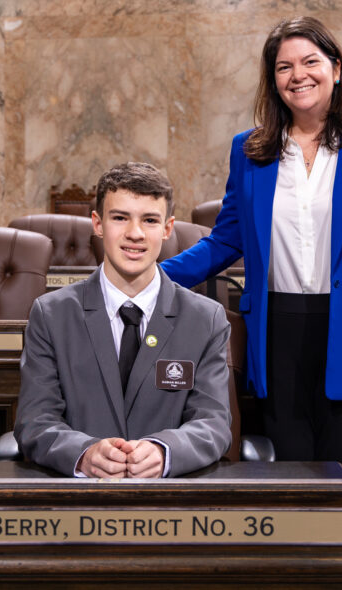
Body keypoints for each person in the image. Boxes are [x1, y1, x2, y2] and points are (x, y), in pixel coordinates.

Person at [161, 16, 342, 478]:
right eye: (284, 67)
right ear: (273, 80)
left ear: (336, 69)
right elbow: (226, 239)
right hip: (275, 331)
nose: (298, 75)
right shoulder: (251, 151)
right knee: (286, 475)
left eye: (310, 62)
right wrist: (154, 276)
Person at [15, 162, 232, 478]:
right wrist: (84, 454)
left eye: (149, 220)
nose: (135, 234)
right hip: (78, 504)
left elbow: (212, 424)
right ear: (98, 224)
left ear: (168, 228)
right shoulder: (51, 314)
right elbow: (35, 421)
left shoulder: (206, 319)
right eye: (120, 218)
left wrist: (164, 451)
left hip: (172, 506)